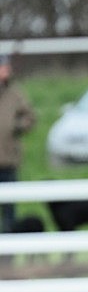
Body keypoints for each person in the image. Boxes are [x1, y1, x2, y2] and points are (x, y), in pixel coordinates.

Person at [0, 54, 36, 232]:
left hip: (8, 160)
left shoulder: (15, 94)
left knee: (9, 210)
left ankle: (6, 257)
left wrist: (15, 126)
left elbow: (30, 117)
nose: (6, 71)